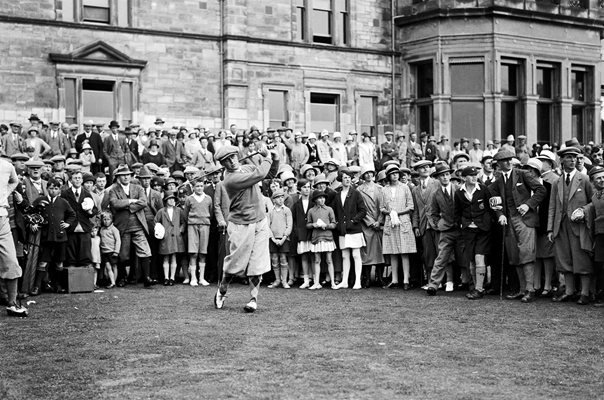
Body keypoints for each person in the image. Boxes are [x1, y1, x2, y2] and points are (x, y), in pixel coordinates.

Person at [213, 143, 279, 313]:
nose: (232, 162)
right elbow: (261, 172)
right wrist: (267, 157)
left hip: (260, 221)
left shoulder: (247, 166)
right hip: (240, 224)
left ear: (237, 155)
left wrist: (275, 157)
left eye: (233, 157)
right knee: (235, 264)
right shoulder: (230, 180)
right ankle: (222, 289)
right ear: (222, 164)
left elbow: (269, 173)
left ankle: (253, 299)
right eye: (226, 160)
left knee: (257, 263)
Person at [488, 148, 546, 303]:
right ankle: (521, 290)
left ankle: (530, 289)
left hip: (525, 219)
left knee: (526, 253)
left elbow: (541, 190)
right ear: (498, 164)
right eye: (504, 160)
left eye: (510, 159)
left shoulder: (523, 174)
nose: (508, 162)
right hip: (509, 221)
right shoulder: (497, 182)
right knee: (514, 256)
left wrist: (528, 205)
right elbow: (495, 204)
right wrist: (500, 215)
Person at [548, 146, 593, 305]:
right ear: (562, 160)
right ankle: (569, 291)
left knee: (582, 259)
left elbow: (592, 203)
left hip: (579, 227)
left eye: (575, 157)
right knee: (564, 258)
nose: (573, 160)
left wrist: (583, 211)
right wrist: (550, 228)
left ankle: (585, 293)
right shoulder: (557, 182)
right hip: (561, 226)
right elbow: (552, 206)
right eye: (569, 157)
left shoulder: (584, 179)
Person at [107, 165, 155, 288]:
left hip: (138, 225)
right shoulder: (113, 190)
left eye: (128, 175)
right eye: (123, 175)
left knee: (145, 251)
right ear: (118, 177)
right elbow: (114, 203)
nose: (126, 177)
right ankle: (122, 278)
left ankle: (146, 278)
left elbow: (143, 202)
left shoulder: (138, 188)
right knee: (123, 254)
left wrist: (128, 207)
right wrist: (131, 201)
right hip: (123, 226)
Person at [454, 166, 493, 300]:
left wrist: (487, 222)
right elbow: (457, 212)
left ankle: (479, 288)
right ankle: (476, 286)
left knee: (479, 257)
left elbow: (490, 208)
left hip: (482, 230)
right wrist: (461, 224)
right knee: (471, 260)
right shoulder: (459, 192)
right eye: (471, 175)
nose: (474, 177)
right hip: (468, 230)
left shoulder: (483, 189)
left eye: (475, 175)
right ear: (464, 178)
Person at [34, 178, 77, 294]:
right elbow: (32, 213)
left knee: (59, 262)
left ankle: (57, 285)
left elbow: (72, 214)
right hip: (46, 237)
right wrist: (34, 223)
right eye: (51, 188)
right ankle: (37, 286)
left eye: (56, 188)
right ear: (47, 189)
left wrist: (68, 223)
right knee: (43, 262)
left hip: (60, 237)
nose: (53, 191)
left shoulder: (63, 202)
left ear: (59, 190)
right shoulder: (40, 200)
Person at [0, 155, 28, 316]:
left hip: (2, 218)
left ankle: (12, 303)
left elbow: (14, 181)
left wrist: (4, 195)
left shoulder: (6, 166)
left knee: (11, 261)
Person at [380, 164, 415, 289]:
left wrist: (398, 213)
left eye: (397, 173)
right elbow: (382, 207)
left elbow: (410, 206)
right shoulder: (384, 189)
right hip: (390, 222)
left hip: (403, 221)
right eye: (392, 173)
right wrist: (390, 213)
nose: (395, 175)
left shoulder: (405, 188)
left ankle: (406, 279)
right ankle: (394, 280)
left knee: (404, 252)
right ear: (388, 175)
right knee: (393, 252)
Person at [426, 164, 458, 295]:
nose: (445, 177)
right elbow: (432, 213)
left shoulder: (459, 190)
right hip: (445, 230)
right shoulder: (436, 194)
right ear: (438, 178)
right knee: (441, 257)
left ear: (450, 176)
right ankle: (433, 285)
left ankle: (472, 284)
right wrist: (438, 224)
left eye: (446, 174)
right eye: (442, 175)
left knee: (466, 257)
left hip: (461, 229)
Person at [332, 168, 367, 290]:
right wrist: (337, 223)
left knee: (356, 255)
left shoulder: (356, 193)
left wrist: (353, 221)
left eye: (349, 177)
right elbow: (335, 212)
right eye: (345, 178)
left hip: (354, 229)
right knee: (345, 256)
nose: (347, 180)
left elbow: (363, 211)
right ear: (340, 180)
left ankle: (358, 281)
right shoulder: (337, 195)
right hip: (342, 230)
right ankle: (345, 281)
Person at [356, 165, 385, 287]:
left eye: (370, 173)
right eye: (366, 173)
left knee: (381, 252)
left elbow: (384, 206)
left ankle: (380, 277)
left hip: (379, 224)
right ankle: (367, 278)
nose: (368, 175)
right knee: (367, 253)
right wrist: (370, 222)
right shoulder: (359, 189)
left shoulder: (380, 188)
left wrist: (379, 221)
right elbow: (360, 207)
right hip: (367, 225)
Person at [183, 181, 213, 287]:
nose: (199, 188)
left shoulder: (208, 198)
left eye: (201, 186)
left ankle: (201, 278)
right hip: (192, 225)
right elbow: (185, 214)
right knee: (193, 252)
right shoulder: (189, 199)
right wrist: (191, 222)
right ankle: (193, 278)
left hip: (205, 225)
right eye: (197, 186)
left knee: (203, 252)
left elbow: (211, 212)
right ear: (193, 187)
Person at [154, 190, 186, 286]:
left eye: (173, 199)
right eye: (169, 199)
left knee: (174, 257)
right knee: (165, 258)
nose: (172, 201)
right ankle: (166, 277)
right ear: (165, 200)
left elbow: (183, 222)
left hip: (176, 237)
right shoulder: (161, 211)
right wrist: (159, 230)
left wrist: (180, 230)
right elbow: (155, 222)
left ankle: (172, 277)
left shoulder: (179, 210)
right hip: (166, 237)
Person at [306, 190, 337, 289]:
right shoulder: (311, 211)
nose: (322, 199)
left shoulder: (329, 209)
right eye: (319, 198)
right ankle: (316, 283)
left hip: (327, 237)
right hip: (316, 237)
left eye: (323, 197)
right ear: (315, 200)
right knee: (317, 260)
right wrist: (313, 225)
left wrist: (326, 226)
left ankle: (333, 282)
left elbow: (334, 224)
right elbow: (308, 224)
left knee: (329, 260)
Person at [267, 189, 293, 289]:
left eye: (282, 197)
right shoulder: (270, 211)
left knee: (283, 258)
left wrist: (284, 238)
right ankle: (277, 280)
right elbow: (267, 226)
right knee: (274, 259)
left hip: (284, 239)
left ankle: (284, 281)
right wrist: (273, 239)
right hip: (273, 239)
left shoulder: (287, 210)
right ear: (273, 200)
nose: (281, 199)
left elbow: (289, 225)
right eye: (278, 198)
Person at [99, 211, 120, 289]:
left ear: (111, 220)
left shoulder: (114, 229)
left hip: (112, 251)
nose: (106, 221)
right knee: (108, 267)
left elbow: (118, 241)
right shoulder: (102, 229)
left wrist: (116, 251)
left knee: (114, 266)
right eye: (104, 219)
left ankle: (114, 282)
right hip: (105, 252)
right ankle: (111, 281)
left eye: (108, 219)